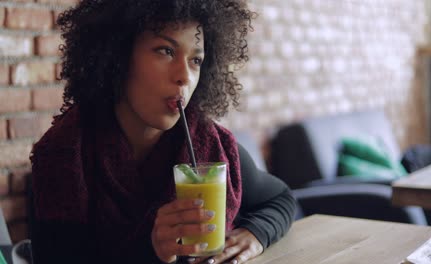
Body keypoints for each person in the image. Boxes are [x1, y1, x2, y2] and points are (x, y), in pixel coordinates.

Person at [30, 0, 296, 263]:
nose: (185, 76)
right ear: (118, 56)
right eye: (165, 51)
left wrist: (256, 234)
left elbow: (281, 198)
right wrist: (151, 252)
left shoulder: (211, 145)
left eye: (196, 60)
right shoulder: (63, 156)